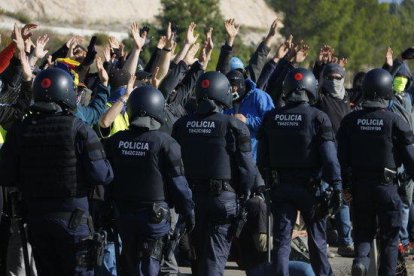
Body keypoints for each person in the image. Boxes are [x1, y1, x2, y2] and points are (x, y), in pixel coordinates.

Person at [0, 67, 114, 275]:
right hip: (73, 219)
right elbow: (101, 175)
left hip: (36, 218)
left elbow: (6, 175)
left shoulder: (20, 130)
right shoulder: (79, 129)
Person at [257, 68, 342, 276]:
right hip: (310, 188)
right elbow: (330, 157)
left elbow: (262, 158)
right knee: (317, 241)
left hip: (281, 187)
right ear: (311, 88)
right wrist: (337, 185)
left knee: (282, 242)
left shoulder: (271, 117)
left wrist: (267, 184)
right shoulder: (318, 117)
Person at [104, 85, 195, 276]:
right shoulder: (166, 142)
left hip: (124, 215)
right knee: (150, 266)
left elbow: (106, 179)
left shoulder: (115, 141)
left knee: (128, 263)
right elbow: (178, 183)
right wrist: (188, 211)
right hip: (155, 218)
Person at [172, 71, 256, 276]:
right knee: (214, 260)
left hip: (191, 199)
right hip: (222, 200)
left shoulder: (181, 125)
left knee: (197, 259)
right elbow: (247, 168)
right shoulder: (234, 125)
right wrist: (246, 195)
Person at [337, 68, 414, 276]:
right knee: (390, 238)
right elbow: (410, 158)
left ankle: (361, 262)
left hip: (359, 186)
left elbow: (341, 159)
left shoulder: (350, 121)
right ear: (387, 91)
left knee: (363, 232)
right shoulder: (395, 121)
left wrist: (346, 186)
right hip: (387, 187)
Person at [315, 63, 354, 258]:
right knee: (322, 199)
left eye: (338, 78)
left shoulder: (348, 101)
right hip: (322, 159)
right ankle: (321, 245)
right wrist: (318, 66)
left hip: (343, 160)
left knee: (343, 201)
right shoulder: (320, 99)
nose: (333, 81)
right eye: (329, 77)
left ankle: (346, 242)